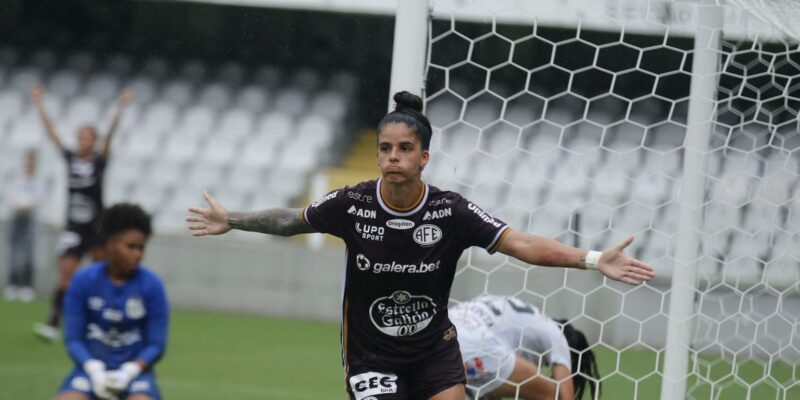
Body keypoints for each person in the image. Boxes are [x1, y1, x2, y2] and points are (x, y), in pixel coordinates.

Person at [186, 91, 654, 400]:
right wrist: (233, 219)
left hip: (435, 352)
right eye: (386, 148)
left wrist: (592, 259)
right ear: (378, 154)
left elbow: (521, 243)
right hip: (371, 356)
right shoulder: (352, 203)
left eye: (405, 148)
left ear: (423, 156)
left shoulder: (451, 211)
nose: (394, 157)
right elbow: (292, 220)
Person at [31, 85, 133, 341]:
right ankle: (53, 324)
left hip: (98, 229)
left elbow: (110, 137)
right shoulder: (69, 159)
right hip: (73, 228)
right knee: (66, 274)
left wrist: (120, 108)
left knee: (103, 276)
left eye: (89, 138)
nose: (84, 142)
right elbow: (52, 133)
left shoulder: (99, 162)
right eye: (82, 138)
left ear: (94, 142)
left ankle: (104, 324)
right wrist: (39, 104)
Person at [57, 203, 168, 400]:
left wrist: (131, 371)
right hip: (89, 371)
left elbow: (156, 345)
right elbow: (73, 339)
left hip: (136, 375)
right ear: (110, 243)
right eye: (130, 247)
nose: (138, 254)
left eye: (141, 248)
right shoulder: (83, 281)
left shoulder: (152, 285)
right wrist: (93, 368)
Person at [450, 295, 600, 400]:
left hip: (442, 335)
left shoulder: (527, 315)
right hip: (476, 345)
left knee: (489, 392)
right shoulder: (556, 335)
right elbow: (565, 397)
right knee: (552, 394)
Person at [4, 150, 42, 302]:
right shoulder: (17, 180)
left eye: (32, 160)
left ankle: (27, 285)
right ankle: (13, 284)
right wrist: (18, 206)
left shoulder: (39, 181)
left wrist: (26, 207)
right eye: (28, 160)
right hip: (16, 216)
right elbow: (10, 196)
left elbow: (39, 199)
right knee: (13, 251)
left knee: (29, 252)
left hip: (30, 218)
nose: (30, 163)